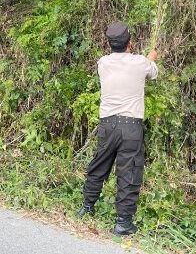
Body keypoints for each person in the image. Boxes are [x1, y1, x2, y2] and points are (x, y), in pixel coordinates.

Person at [76, 21, 158, 236]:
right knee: (129, 171)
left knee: (99, 165)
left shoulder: (102, 63)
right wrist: (152, 57)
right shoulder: (141, 62)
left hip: (108, 124)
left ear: (109, 43)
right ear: (130, 43)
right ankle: (123, 222)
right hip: (131, 127)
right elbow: (153, 72)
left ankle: (87, 207)